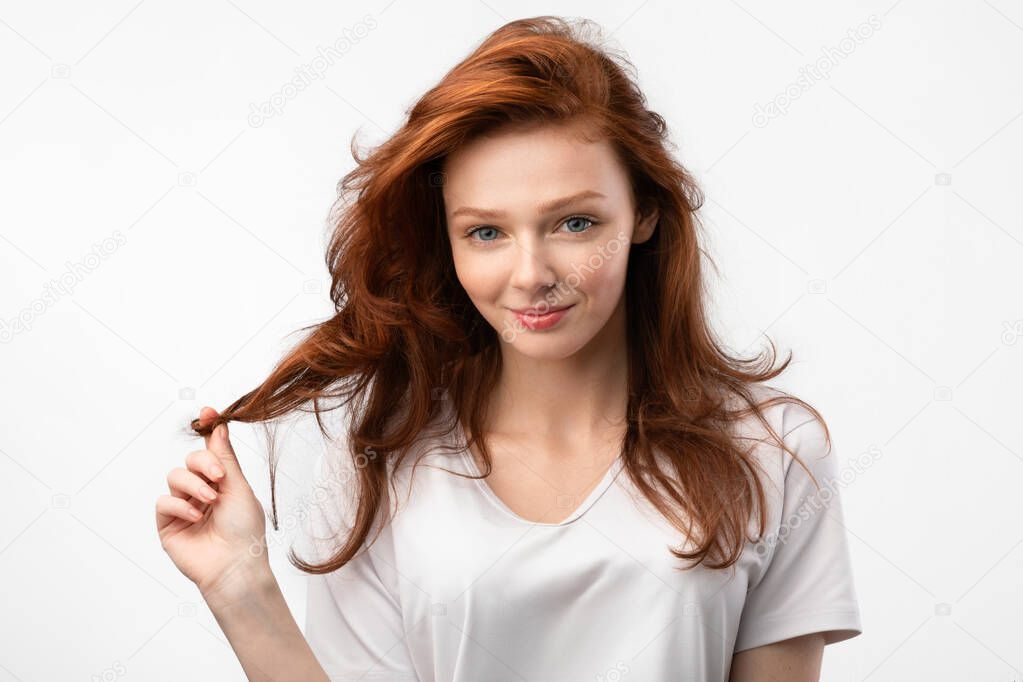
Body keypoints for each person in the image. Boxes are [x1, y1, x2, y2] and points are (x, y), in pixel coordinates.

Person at [155, 16, 862, 682]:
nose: (530, 275)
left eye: (574, 222)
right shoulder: (380, 459)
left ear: (644, 211)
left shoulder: (771, 448)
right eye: (485, 232)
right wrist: (238, 583)